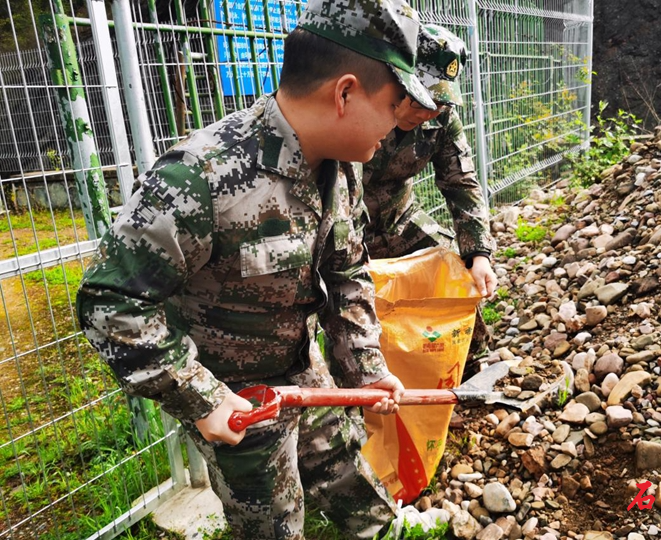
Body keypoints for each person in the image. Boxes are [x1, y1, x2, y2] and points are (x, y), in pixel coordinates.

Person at [75, 0, 437, 538]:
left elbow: (347, 270)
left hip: (299, 372)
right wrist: (201, 398)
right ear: (344, 93)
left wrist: (362, 366)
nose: (400, 122)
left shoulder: (344, 164)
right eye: (394, 103)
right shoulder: (203, 178)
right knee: (272, 524)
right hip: (236, 400)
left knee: (345, 478)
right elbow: (109, 303)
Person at [363, 25, 497, 374]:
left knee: (454, 270)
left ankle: (465, 369)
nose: (429, 111)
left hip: (400, 219)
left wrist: (478, 253)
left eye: (439, 101)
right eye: (422, 98)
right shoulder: (364, 106)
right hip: (347, 228)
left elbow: (461, 182)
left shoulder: (443, 117)